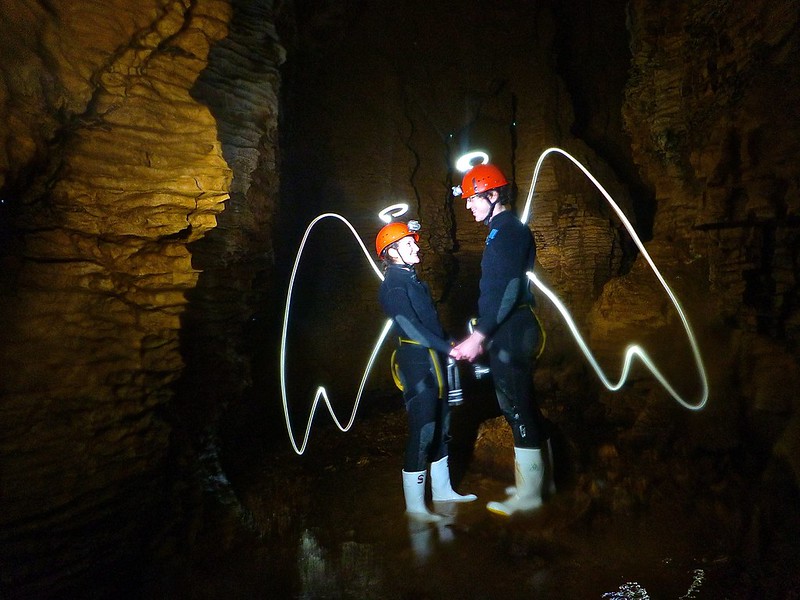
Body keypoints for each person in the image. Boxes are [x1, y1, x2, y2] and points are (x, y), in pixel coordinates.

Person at [452, 162, 552, 516]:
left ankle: (530, 496)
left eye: (473, 198)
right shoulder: (501, 230)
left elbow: (507, 289)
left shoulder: (508, 230)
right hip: (509, 327)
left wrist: (480, 335)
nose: (468, 206)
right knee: (521, 404)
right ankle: (543, 485)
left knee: (516, 406)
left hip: (511, 329)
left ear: (493, 195)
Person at [376, 220, 477, 522]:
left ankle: (443, 491)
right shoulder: (394, 285)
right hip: (416, 362)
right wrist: (449, 349)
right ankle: (416, 507)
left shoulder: (413, 279)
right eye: (409, 244)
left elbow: (429, 323)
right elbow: (410, 327)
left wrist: (449, 344)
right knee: (424, 431)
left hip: (435, 358)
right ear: (393, 253)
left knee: (443, 426)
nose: (416, 247)